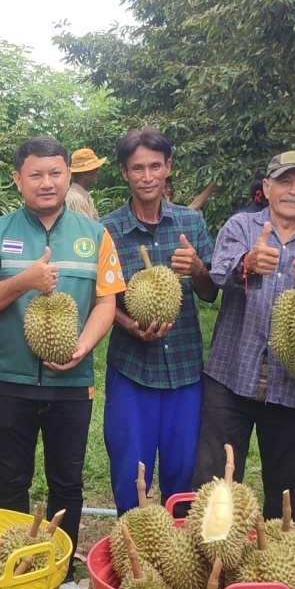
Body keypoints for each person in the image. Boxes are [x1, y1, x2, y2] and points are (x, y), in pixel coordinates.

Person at [0, 135, 124, 589]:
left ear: (69, 177)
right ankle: (12, 568)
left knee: (67, 482)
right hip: (10, 378)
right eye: (35, 174)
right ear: (18, 179)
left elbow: (106, 301)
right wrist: (25, 281)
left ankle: (60, 573)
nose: (46, 182)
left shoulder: (94, 234)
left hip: (72, 383)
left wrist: (82, 346)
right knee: (10, 480)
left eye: (55, 173)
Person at [193, 151, 295, 521]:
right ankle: (212, 560)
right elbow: (218, 275)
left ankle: (278, 561)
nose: (293, 191)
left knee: (286, 490)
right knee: (216, 484)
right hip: (230, 378)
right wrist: (248, 264)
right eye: (284, 182)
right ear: (267, 187)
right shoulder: (242, 226)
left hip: (290, 386)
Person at [100, 127, 217, 514]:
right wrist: (126, 323)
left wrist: (198, 267)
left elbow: (208, 291)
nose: (147, 176)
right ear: (125, 173)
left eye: (155, 166)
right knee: (130, 472)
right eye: (137, 168)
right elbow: (98, 298)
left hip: (185, 368)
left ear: (167, 168)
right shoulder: (108, 230)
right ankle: (132, 551)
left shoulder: (191, 224)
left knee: (183, 473)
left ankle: (176, 557)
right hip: (132, 368)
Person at [65, 148, 104, 220]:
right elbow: (88, 229)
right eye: (96, 169)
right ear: (86, 174)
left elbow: (97, 221)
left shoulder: (83, 196)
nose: (98, 172)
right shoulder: (77, 200)